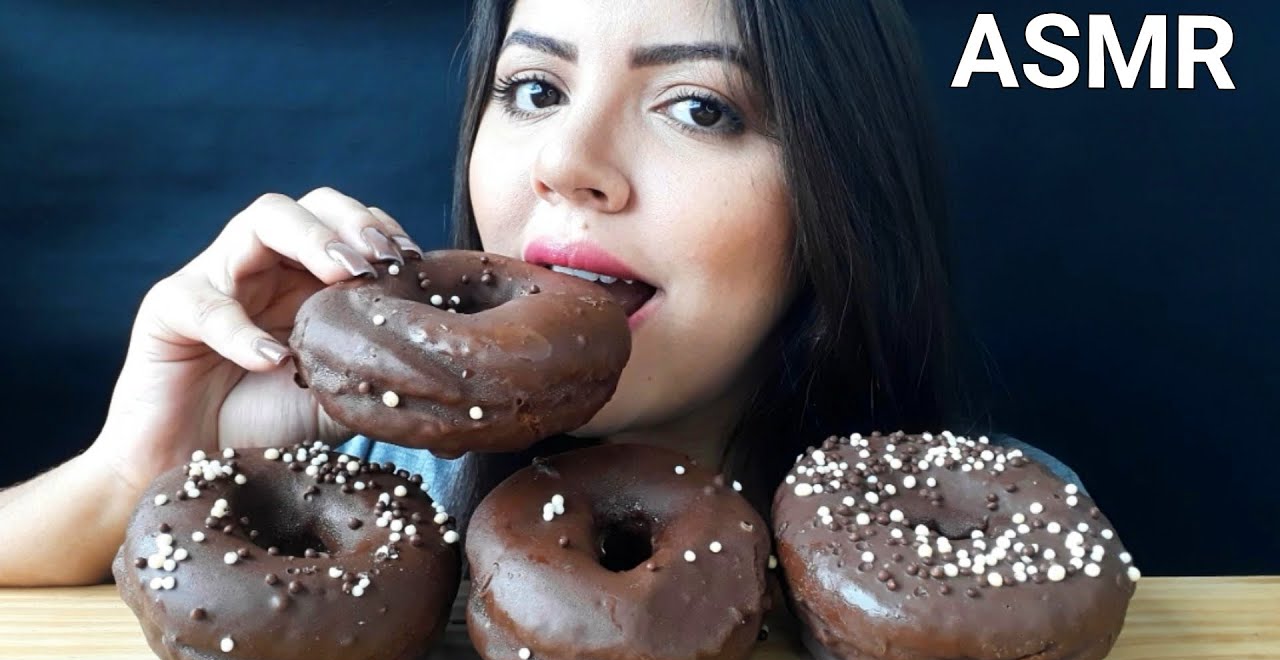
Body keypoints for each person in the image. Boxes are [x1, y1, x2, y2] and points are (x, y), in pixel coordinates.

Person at [0, 0, 1075, 587]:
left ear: (840, 193)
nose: (563, 160)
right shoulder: (354, 484)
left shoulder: (996, 541)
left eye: (699, 108)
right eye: (531, 89)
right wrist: (127, 472)